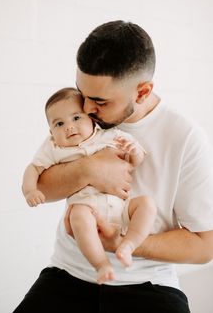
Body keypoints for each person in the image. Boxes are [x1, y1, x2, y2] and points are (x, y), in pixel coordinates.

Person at [13, 20, 213, 313]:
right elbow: (41, 185)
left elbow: (204, 246)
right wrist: (88, 170)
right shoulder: (78, 117)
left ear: (142, 92)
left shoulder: (185, 138)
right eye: (83, 94)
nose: (86, 109)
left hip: (148, 284)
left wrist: (122, 243)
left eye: (100, 101)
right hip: (67, 272)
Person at [22, 87, 157, 284]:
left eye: (76, 118)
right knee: (78, 215)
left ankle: (128, 245)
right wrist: (30, 190)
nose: (69, 127)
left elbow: (135, 161)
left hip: (121, 209)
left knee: (146, 204)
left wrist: (133, 151)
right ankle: (101, 264)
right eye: (59, 124)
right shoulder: (54, 147)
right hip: (87, 208)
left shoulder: (108, 136)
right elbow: (33, 168)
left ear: (91, 119)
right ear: (51, 132)